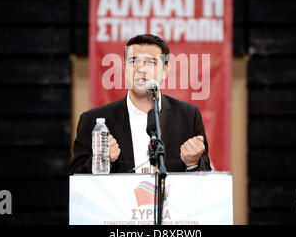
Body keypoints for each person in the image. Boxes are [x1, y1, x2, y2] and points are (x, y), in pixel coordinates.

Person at [70, 34, 211, 174]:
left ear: (165, 70)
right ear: (125, 69)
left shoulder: (188, 116)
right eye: (134, 61)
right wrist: (100, 161)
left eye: (151, 62)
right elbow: (76, 179)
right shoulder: (93, 121)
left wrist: (192, 164)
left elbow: (205, 181)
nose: (141, 69)